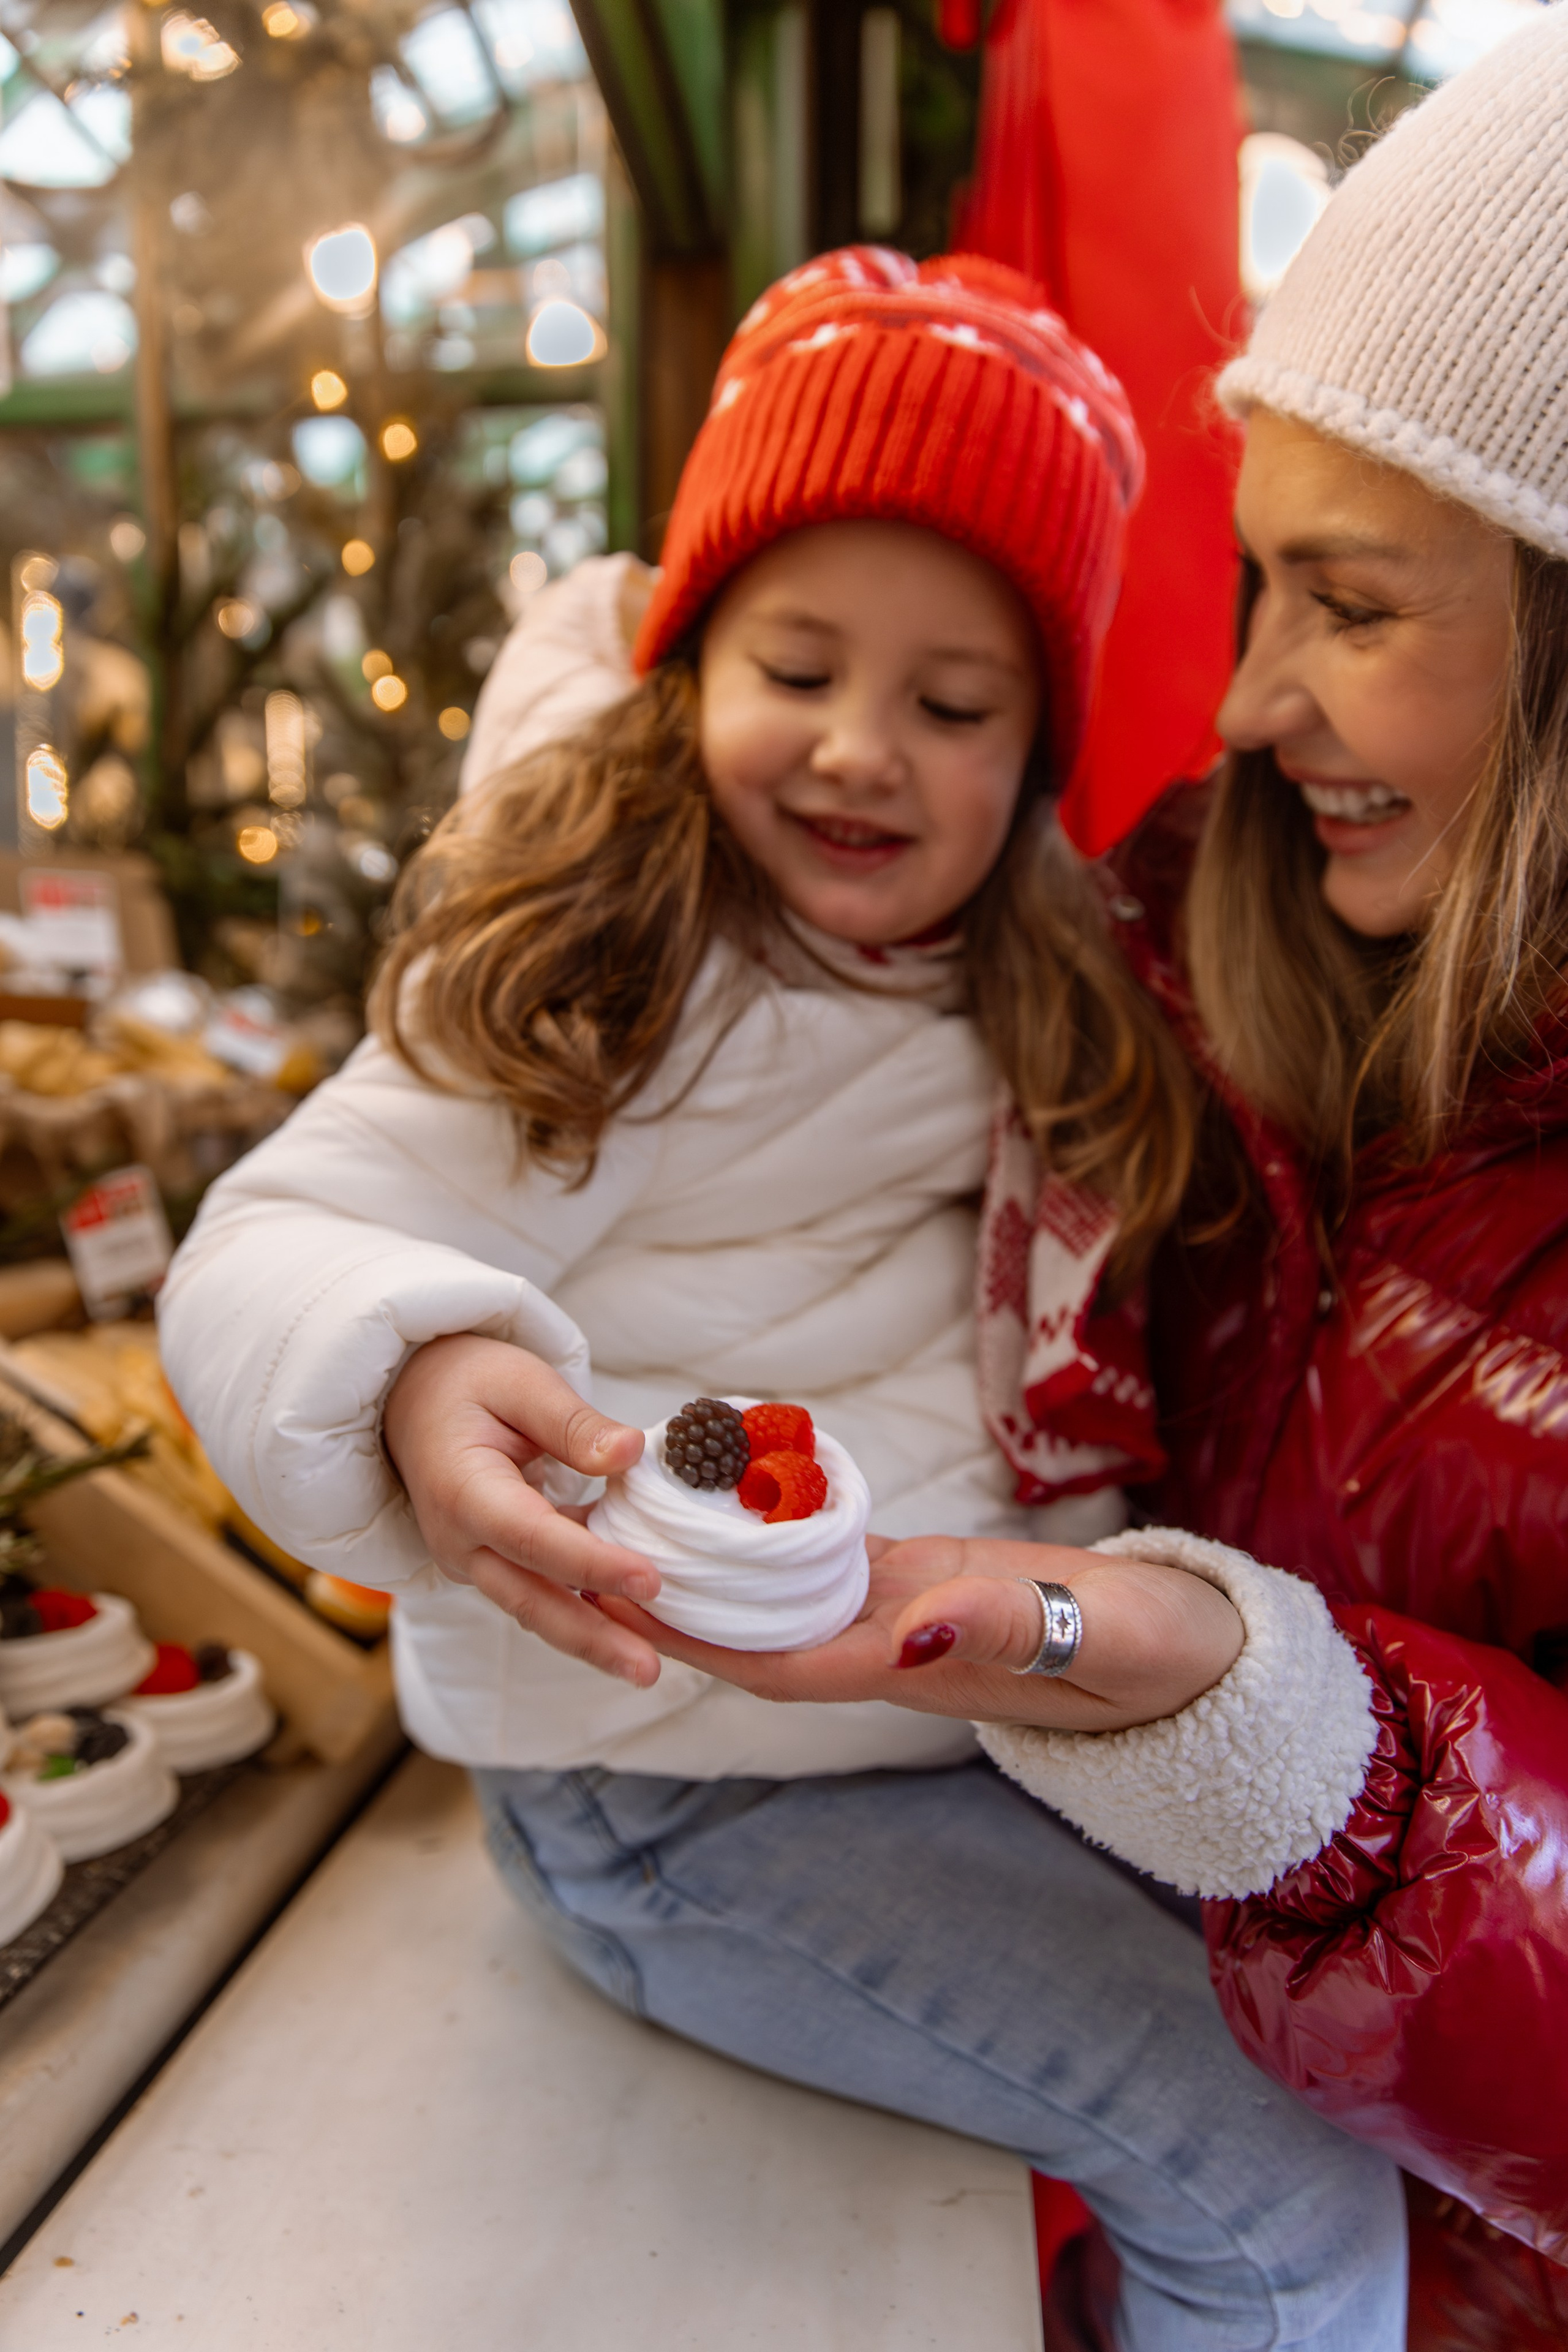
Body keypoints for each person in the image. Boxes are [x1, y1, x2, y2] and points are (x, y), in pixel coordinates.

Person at [158, 251, 1404, 2350]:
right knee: (1273, 2180)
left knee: (1351, 2043)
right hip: (677, 1795)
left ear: (1036, 757)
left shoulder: (1025, 981)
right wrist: (419, 1366)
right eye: (796, 663)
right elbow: (284, 1232)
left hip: (947, 1742)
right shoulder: (605, 966)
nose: (860, 751)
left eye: (952, 705)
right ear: (688, 653)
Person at [622, 13, 1568, 2316]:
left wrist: (1299, 1756)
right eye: (1262, 593)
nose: (1247, 708)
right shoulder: (1154, 953)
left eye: (1353, 606)